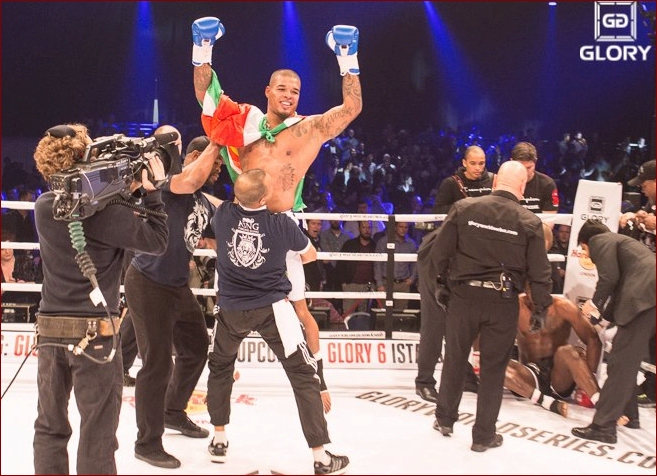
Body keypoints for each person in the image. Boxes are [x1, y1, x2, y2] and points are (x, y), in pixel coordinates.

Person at [191, 17, 361, 412]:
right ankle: (223, 376)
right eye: (282, 89)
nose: (289, 96)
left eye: (295, 91)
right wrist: (202, 49)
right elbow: (206, 95)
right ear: (268, 91)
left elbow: (351, 108)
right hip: (240, 225)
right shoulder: (244, 121)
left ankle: (318, 379)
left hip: (281, 227)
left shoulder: (308, 129)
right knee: (227, 306)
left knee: (300, 308)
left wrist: (347, 58)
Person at [31, 123, 169, 474]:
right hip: (94, 335)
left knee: (49, 425)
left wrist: (122, 192)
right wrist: (152, 193)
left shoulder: (43, 207)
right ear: (83, 156)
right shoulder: (107, 213)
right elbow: (157, 241)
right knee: (98, 429)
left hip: (49, 330)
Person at [207, 169, 349, 474]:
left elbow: (218, 211)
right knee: (304, 375)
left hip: (231, 308)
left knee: (220, 367)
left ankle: (218, 439)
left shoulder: (224, 215)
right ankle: (321, 457)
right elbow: (310, 256)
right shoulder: (281, 224)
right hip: (271, 308)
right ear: (263, 198)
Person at [424, 160, 553, 452]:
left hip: (464, 297)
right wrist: (541, 309)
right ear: (522, 187)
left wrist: (441, 286)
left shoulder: (464, 208)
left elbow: (439, 254)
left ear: (495, 182)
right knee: (494, 369)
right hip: (502, 301)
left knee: (455, 359)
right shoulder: (530, 222)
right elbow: (540, 274)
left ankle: (445, 419)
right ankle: (483, 437)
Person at [124, 130, 224, 469]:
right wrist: (218, 140)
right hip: (148, 282)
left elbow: (229, 216)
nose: (218, 170)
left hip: (177, 285)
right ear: (195, 157)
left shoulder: (202, 201)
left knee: (196, 347)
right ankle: (147, 443)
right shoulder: (169, 183)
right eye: (215, 164)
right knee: (157, 364)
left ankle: (172, 410)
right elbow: (191, 179)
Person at [415, 146, 492, 403]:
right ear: (464, 163)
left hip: (467, 258)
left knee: (463, 321)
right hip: (438, 255)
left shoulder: (492, 184)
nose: (478, 168)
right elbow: (441, 217)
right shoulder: (451, 184)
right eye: (474, 163)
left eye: (482, 163)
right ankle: (424, 381)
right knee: (435, 321)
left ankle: (464, 374)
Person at [572, 219, 656, 444]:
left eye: (584, 249)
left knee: (620, 363)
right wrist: (602, 316)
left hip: (645, 298)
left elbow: (609, 278)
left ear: (587, 241)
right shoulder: (626, 249)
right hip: (649, 298)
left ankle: (603, 426)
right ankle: (630, 415)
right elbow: (618, 289)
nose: (586, 255)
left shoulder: (601, 240)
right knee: (628, 360)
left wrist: (593, 304)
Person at [373, 221, 417, 311]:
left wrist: (412, 278)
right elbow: (378, 263)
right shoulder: (384, 241)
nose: (403, 229)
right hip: (386, 283)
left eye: (406, 227)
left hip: (403, 284)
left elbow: (415, 263)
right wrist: (379, 283)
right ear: (395, 227)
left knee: (401, 314)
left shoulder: (411, 244)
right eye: (401, 226)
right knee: (383, 313)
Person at [510, 141, 559, 214]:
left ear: (535, 162)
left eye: (529, 167)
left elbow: (549, 218)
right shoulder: (501, 182)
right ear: (511, 162)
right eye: (521, 167)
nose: (525, 172)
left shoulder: (547, 184)